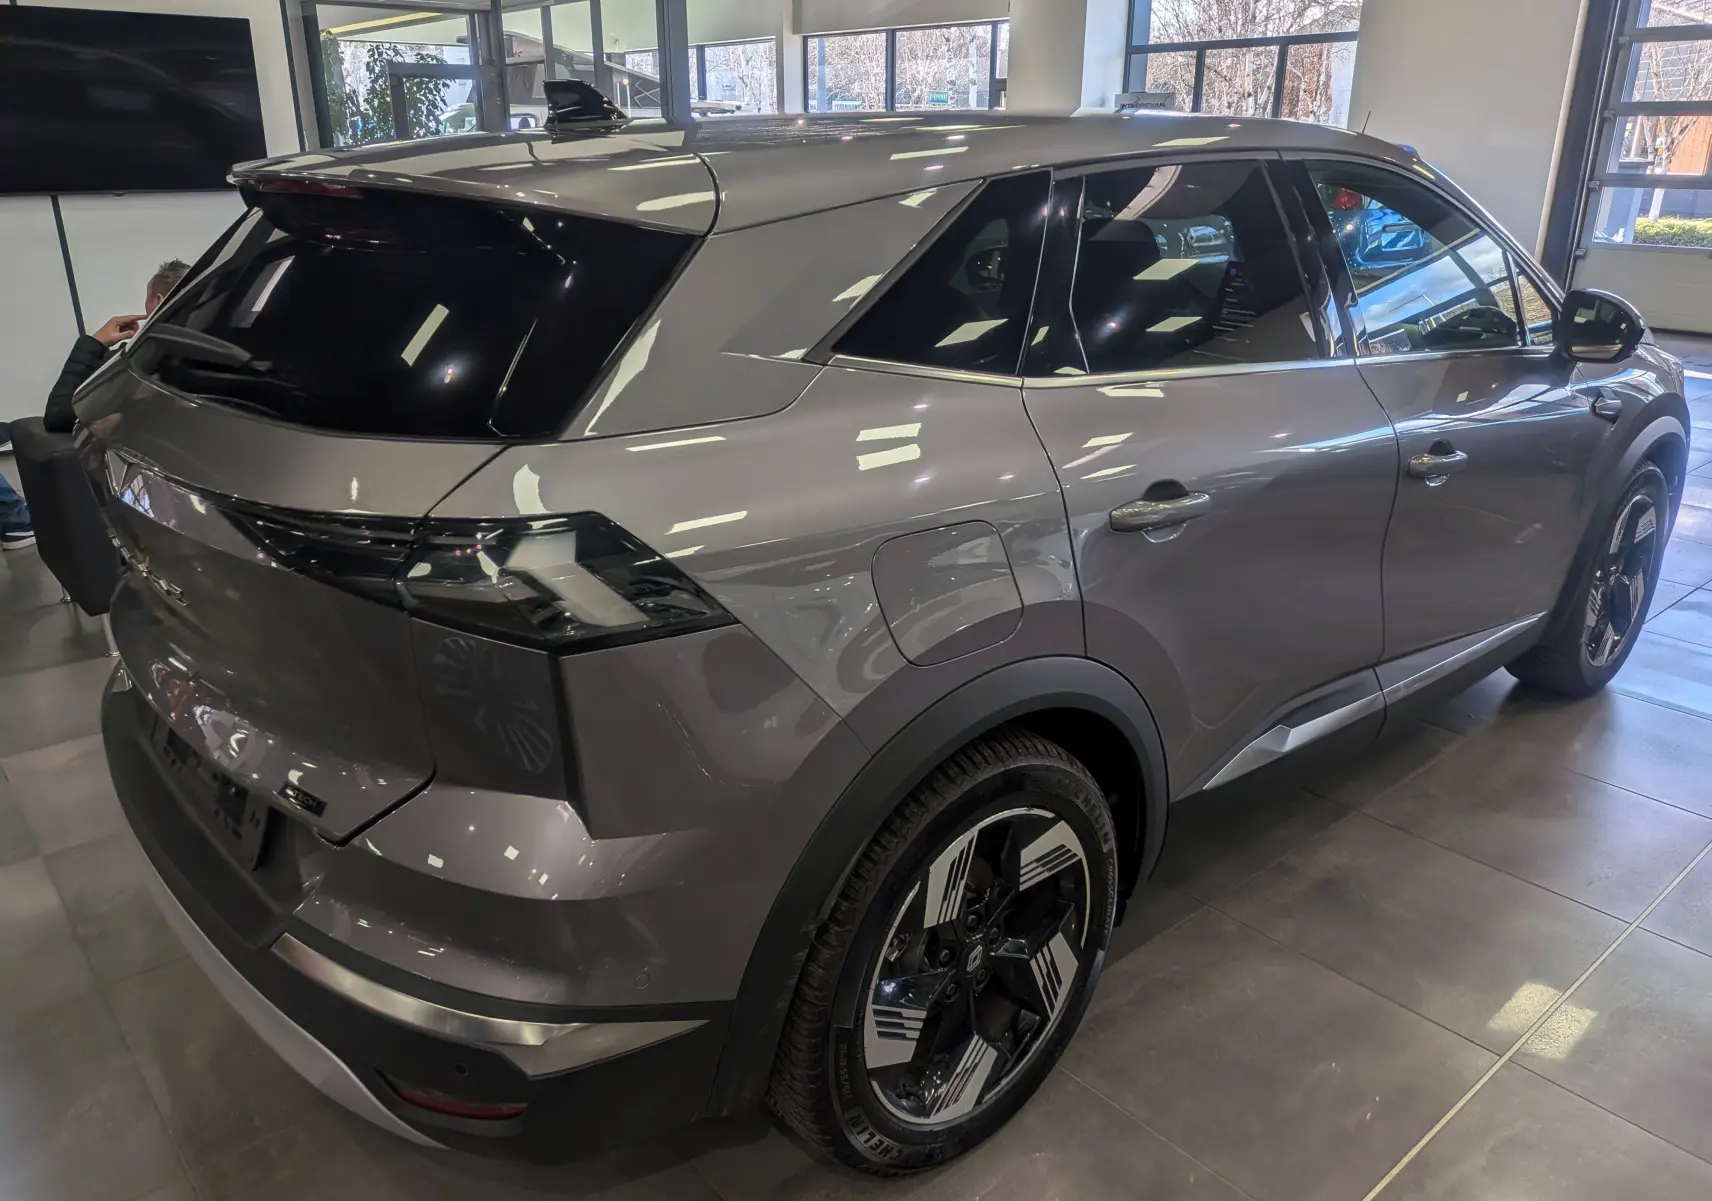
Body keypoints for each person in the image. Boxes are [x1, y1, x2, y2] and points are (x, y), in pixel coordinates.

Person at [44, 258, 190, 434]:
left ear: (159, 302)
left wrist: (95, 342)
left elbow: (57, 415)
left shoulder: (134, 361)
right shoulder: (207, 359)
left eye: (147, 299)